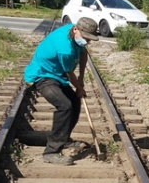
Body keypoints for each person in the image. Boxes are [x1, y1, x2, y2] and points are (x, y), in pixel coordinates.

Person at [23, 17, 99, 165]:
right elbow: (69, 73)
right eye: (85, 38)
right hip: (43, 75)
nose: (86, 41)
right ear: (76, 29)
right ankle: (51, 152)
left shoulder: (75, 33)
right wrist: (79, 87)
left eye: (89, 39)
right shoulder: (65, 49)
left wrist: (81, 78)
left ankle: (63, 139)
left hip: (57, 74)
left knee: (75, 102)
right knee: (64, 105)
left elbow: (83, 53)